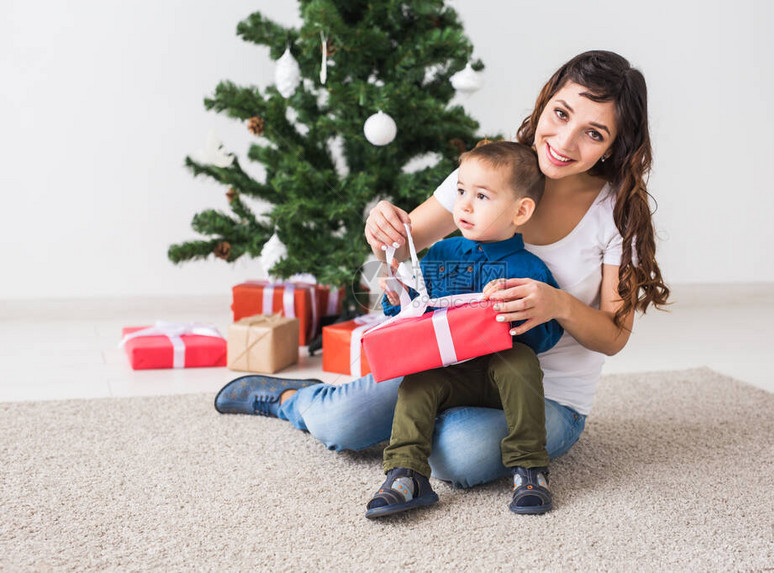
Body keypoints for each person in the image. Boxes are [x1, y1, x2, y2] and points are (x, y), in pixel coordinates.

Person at [214, 51, 669, 501]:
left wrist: (558, 304)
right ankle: (295, 400)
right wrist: (381, 228)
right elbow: (398, 248)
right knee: (341, 424)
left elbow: (613, 336)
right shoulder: (494, 171)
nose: (565, 141)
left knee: (459, 455)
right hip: (452, 360)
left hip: (547, 397)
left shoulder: (616, 213)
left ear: (615, 145)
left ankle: (426, 422)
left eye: (593, 133)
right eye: (561, 113)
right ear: (546, 100)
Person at [365, 141, 564, 518]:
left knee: (518, 360)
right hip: (450, 373)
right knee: (417, 380)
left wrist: (513, 314)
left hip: (498, 378)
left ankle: (529, 469)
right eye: (460, 192)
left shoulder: (530, 270)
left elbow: (547, 337)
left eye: (482, 196)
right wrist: (398, 294)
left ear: (520, 211)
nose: (465, 205)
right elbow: (414, 317)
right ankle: (406, 473)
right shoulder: (441, 254)